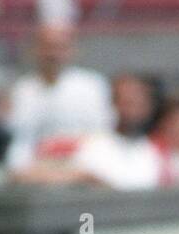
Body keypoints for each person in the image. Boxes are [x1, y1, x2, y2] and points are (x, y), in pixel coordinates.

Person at [7, 25, 113, 170]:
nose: (53, 54)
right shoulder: (22, 89)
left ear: (72, 50)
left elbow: (102, 134)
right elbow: (20, 138)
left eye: (60, 47)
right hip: (36, 168)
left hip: (81, 165)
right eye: (47, 47)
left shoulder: (92, 85)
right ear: (33, 50)